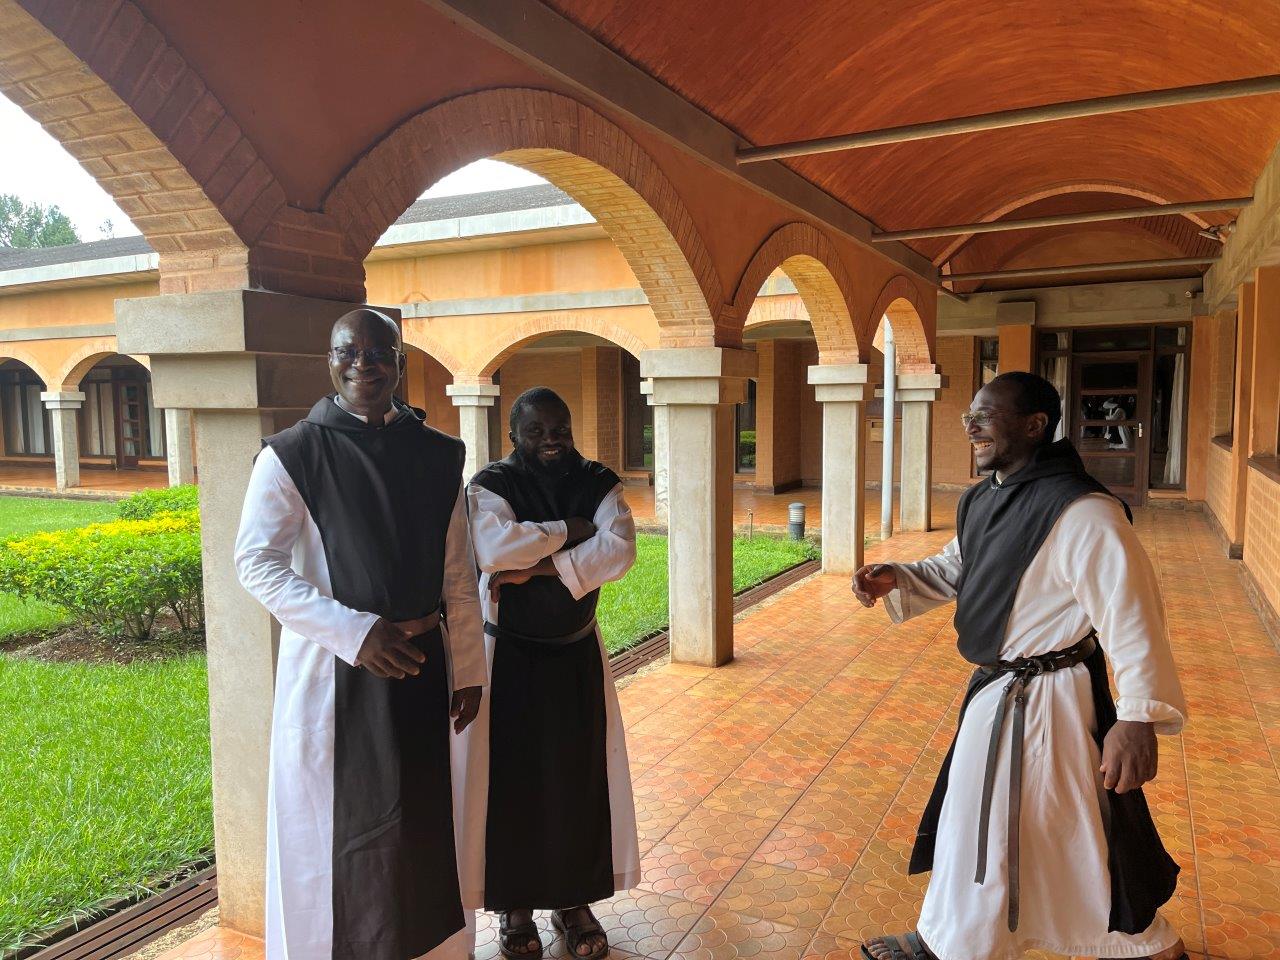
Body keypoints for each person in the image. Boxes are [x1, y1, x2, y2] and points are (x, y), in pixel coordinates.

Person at [852, 372, 1188, 960]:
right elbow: (960, 567)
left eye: (986, 416)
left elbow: (1132, 615)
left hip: (1048, 700)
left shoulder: (1083, 513)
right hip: (1001, 694)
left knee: (1030, 825)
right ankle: (959, 937)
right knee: (1015, 824)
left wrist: (1137, 719)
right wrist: (899, 577)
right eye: (970, 416)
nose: (971, 427)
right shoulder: (984, 497)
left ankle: (964, 942)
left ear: (1035, 425)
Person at [234, 308, 486, 960]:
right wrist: (354, 632)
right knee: (337, 834)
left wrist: (469, 669)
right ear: (330, 362)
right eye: (349, 351)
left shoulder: (439, 456)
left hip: (423, 669)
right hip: (333, 674)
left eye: (379, 352)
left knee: (424, 825)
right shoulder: (291, 455)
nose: (363, 364)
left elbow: (458, 573)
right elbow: (255, 563)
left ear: (399, 362)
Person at [466, 387, 640, 960]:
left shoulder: (598, 480)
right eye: (536, 431)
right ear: (513, 435)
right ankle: (515, 907)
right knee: (511, 782)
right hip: (509, 658)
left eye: (559, 429)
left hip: (575, 654)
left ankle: (573, 903)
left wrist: (535, 568)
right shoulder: (491, 484)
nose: (550, 440)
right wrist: (572, 529)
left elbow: (619, 551)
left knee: (577, 782)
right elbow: (494, 548)